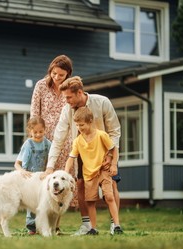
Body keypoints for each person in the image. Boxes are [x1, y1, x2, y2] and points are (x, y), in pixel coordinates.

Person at [43, 76, 122, 236]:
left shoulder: (102, 102)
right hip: (83, 151)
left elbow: (115, 131)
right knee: (80, 185)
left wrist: (110, 156)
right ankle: (88, 226)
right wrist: (50, 166)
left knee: (111, 187)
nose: (66, 101)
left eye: (68, 97)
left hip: (105, 149)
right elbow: (58, 138)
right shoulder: (67, 110)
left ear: (79, 92)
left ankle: (115, 224)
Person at [30, 54, 75, 234]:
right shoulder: (41, 86)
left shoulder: (71, 89)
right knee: (40, 182)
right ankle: (34, 225)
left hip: (65, 142)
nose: (56, 77)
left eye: (61, 75)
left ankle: (55, 227)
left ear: (68, 75)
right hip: (43, 140)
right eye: (54, 73)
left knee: (61, 185)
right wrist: (34, 138)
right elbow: (34, 113)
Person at [64, 107, 122, 235]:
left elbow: (114, 149)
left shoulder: (101, 135)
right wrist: (65, 173)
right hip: (89, 175)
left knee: (109, 196)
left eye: (82, 125)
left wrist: (113, 165)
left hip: (103, 170)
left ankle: (117, 225)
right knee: (90, 202)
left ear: (90, 121)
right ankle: (93, 228)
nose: (79, 128)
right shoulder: (78, 141)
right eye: (77, 125)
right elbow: (71, 158)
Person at [14, 116, 52, 235]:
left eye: (41, 131)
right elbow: (17, 164)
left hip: (42, 177)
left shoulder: (47, 143)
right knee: (31, 202)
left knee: (42, 201)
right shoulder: (28, 144)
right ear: (30, 131)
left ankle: (43, 225)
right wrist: (22, 171)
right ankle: (32, 227)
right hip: (29, 177)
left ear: (45, 130)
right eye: (35, 132)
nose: (38, 134)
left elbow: (52, 159)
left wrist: (48, 171)